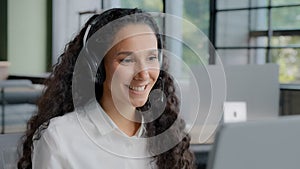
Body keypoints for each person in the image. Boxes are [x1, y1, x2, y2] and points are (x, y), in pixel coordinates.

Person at [18, 8, 195, 169]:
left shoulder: (165, 133)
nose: (143, 74)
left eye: (151, 58)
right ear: (98, 68)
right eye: (127, 60)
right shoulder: (59, 138)